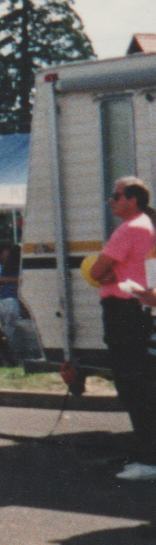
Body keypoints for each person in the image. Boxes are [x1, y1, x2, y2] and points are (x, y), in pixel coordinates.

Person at [89, 176, 156, 480]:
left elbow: (96, 270)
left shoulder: (128, 229)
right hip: (140, 311)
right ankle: (147, 456)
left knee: (133, 387)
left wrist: (109, 278)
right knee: (142, 384)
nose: (111, 201)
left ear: (132, 200)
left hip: (123, 313)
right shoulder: (147, 226)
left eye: (115, 196)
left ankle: (148, 461)